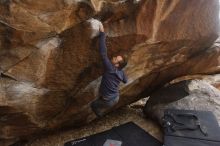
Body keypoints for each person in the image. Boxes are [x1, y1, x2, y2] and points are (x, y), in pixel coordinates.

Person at [91, 21, 128, 117]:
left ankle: (100, 116)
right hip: (116, 98)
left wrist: (102, 33)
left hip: (108, 101)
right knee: (103, 97)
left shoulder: (110, 68)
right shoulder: (121, 72)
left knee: (94, 105)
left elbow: (103, 53)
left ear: (116, 65)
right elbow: (125, 81)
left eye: (116, 59)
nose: (114, 57)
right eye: (116, 56)